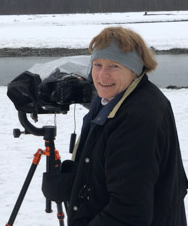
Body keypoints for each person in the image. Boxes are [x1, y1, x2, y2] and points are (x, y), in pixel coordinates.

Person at [68, 26, 188, 226]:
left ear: (134, 69)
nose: (102, 76)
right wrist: (72, 183)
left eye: (115, 66)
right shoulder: (116, 97)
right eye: (97, 65)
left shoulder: (138, 118)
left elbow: (128, 212)